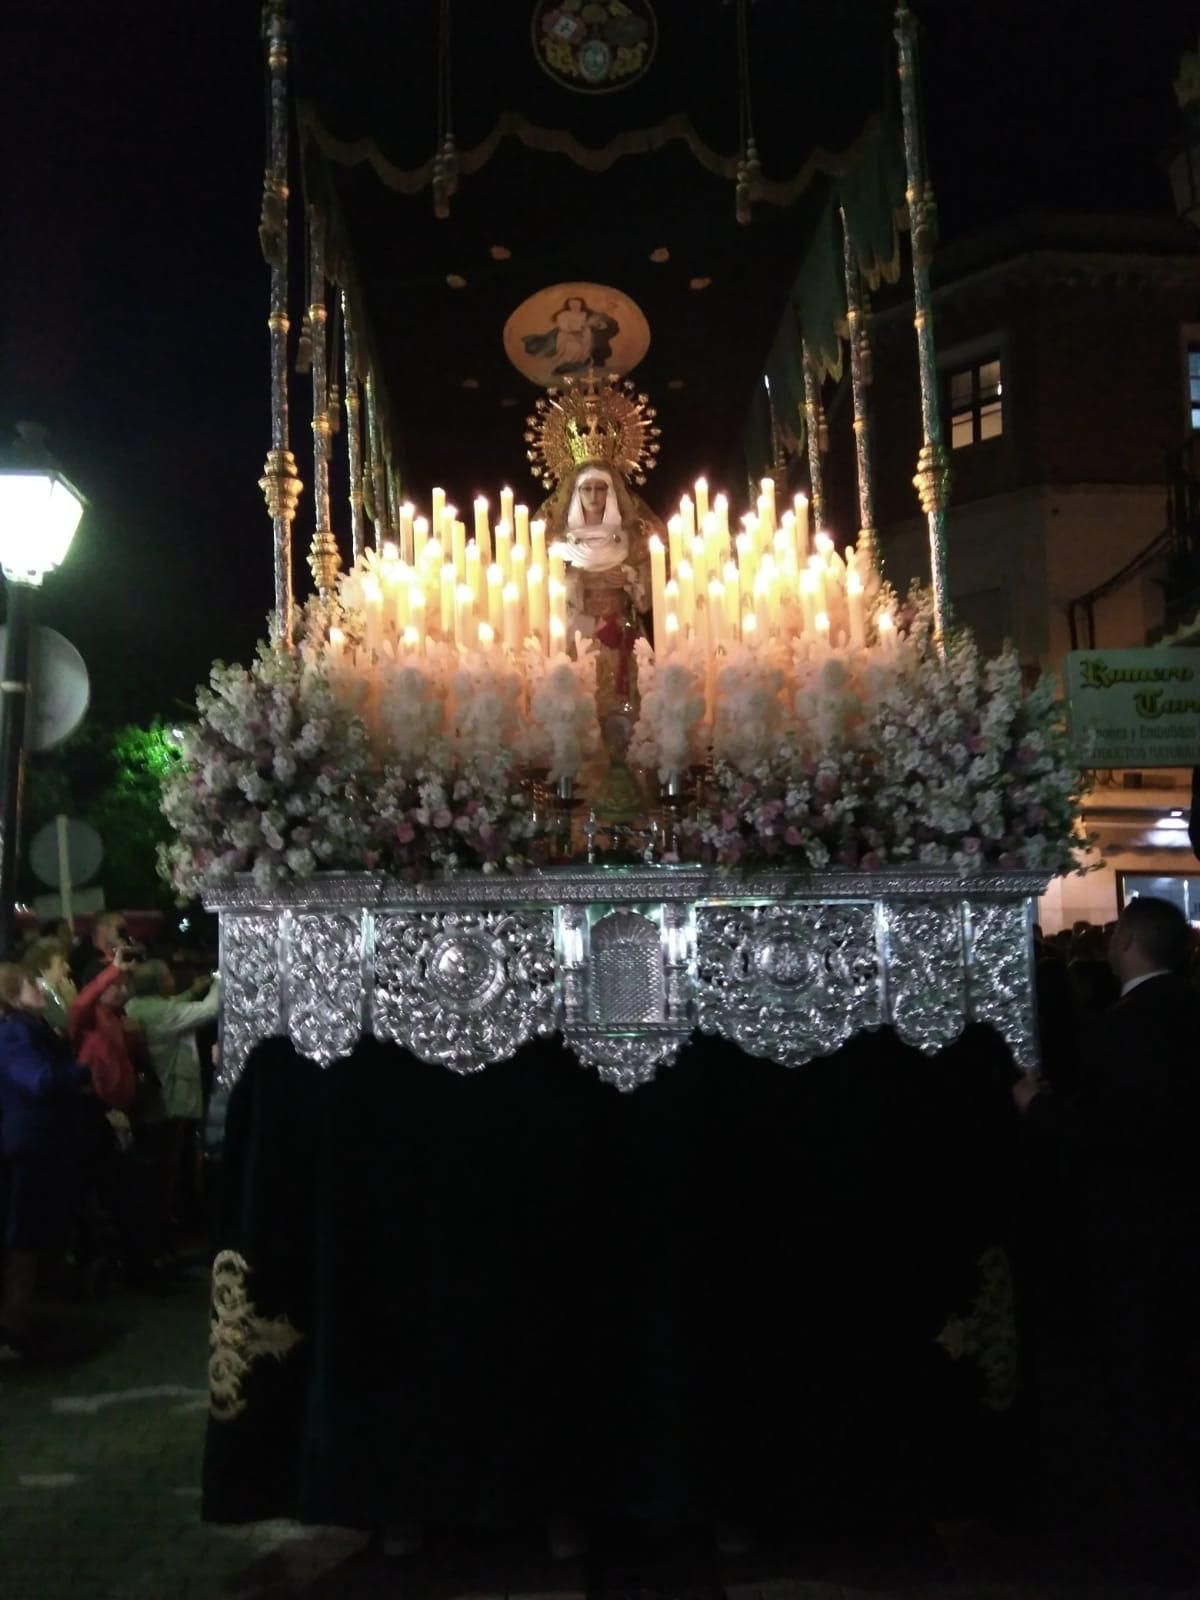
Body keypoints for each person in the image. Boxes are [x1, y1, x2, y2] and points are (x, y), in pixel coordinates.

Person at [1015, 896, 1200, 1564]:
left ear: (1126, 942)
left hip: (1132, 1227)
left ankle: (1147, 1528)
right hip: (1183, 1221)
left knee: (1139, 1376)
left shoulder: (1128, 1027)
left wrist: (1038, 1108)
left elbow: (1111, 1131)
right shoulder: (1186, 1011)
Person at [0, 962, 90, 1354]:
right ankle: (14, 1322)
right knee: (24, 1240)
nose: (40, 989)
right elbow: (39, 1080)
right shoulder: (13, 1034)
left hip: (41, 1143)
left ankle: (24, 1316)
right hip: (27, 1146)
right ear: (11, 995)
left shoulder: (32, 1031)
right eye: (31, 985)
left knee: (33, 1237)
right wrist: (84, 1071)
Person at [125, 961, 220, 1240]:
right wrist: (221, 981)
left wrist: (192, 991)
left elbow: (174, 1005)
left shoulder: (135, 1006)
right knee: (168, 1169)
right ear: (158, 983)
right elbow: (208, 1010)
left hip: (151, 1097)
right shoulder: (161, 1012)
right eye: (167, 975)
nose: (172, 978)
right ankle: (164, 1233)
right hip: (170, 1096)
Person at [22, 935, 78, 1034]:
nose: (68, 967)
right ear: (43, 969)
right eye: (61, 964)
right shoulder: (43, 995)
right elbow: (67, 1027)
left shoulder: (56, 989)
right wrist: (72, 1001)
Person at [70, 911, 133, 990]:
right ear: (104, 928)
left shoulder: (121, 954)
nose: (123, 934)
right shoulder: (81, 956)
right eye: (119, 929)